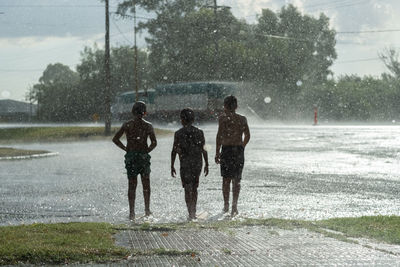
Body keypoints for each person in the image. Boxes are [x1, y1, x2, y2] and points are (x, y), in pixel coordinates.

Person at [112, 101, 157, 220]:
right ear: (145, 113)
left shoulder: (127, 125)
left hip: (131, 156)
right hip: (143, 156)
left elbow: (115, 139)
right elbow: (154, 142)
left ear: (132, 112)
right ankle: (147, 210)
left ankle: (132, 212)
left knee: (132, 185)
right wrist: (146, 151)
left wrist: (126, 148)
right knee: (146, 184)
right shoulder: (148, 125)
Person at [171, 108, 209, 221]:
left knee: (187, 187)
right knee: (195, 186)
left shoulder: (178, 133)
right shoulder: (199, 132)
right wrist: (207, 163)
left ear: (182, 120)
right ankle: (194, 211)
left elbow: (174, 150)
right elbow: (204, 149)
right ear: (193, 119)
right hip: (197, 162)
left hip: (185, 163)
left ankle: (190, 212)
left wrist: (172, 165)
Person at [215, 95, 250, 216]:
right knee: (237, 179)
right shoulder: (242, 119)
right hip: (238, 150)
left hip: (227, 150)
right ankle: (234, 206)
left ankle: (226, 205)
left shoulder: (223, 119)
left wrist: (217, 151)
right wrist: (242, 146)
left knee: (226, 179)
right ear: (236, 106)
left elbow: (219, 136)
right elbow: (247, 135)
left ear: (224, 106)